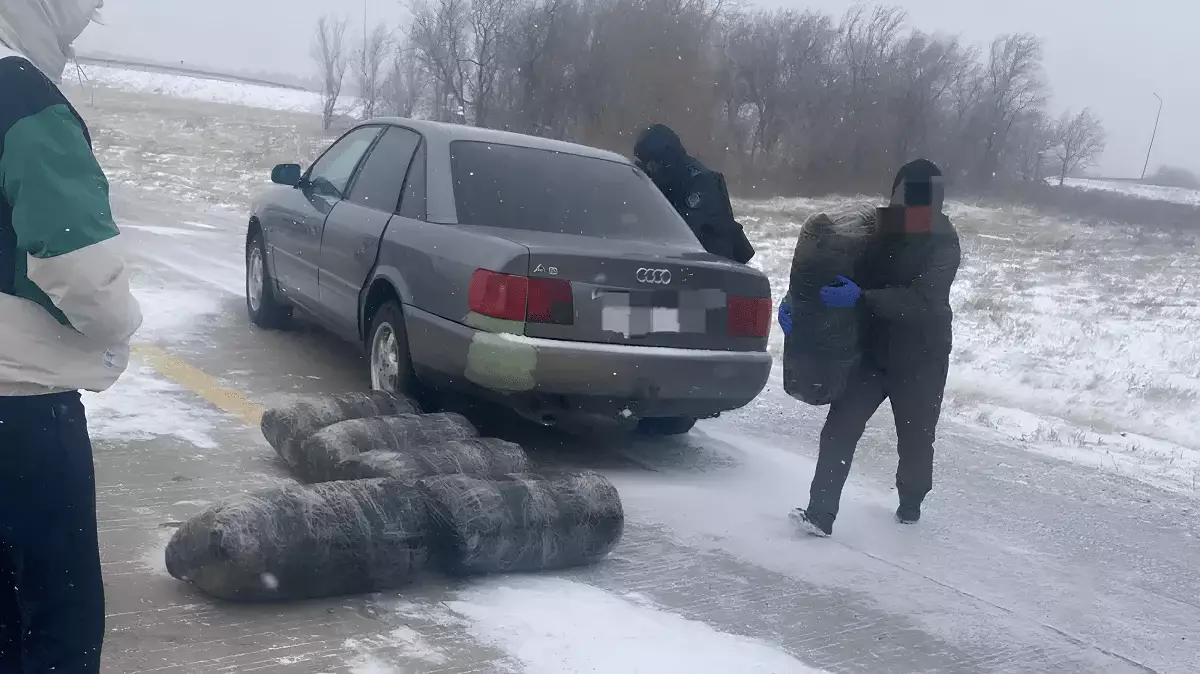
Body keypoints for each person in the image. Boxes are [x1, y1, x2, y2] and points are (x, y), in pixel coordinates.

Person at [1, 1, 143, 671]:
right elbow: (87, 283)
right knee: (53, 629)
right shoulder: (25, 101)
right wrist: (122, 326)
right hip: (21, 412)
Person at [778, 158, 960, 537]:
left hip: (921, 358)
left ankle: (911, 503)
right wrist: (796, 303)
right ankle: (820, 514)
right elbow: (830, 265)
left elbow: (923, 301)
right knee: (840, 429)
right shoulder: (874, 228)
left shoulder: (943, 240)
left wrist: (862, 298)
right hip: (872, 352)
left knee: (914, 438)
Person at [633, 124, 755, 263]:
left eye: (652, 164)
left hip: (713, 264)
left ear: (664, 161)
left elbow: (685, 232)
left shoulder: (700, 182)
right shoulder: (669, 178)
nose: (650, 169)